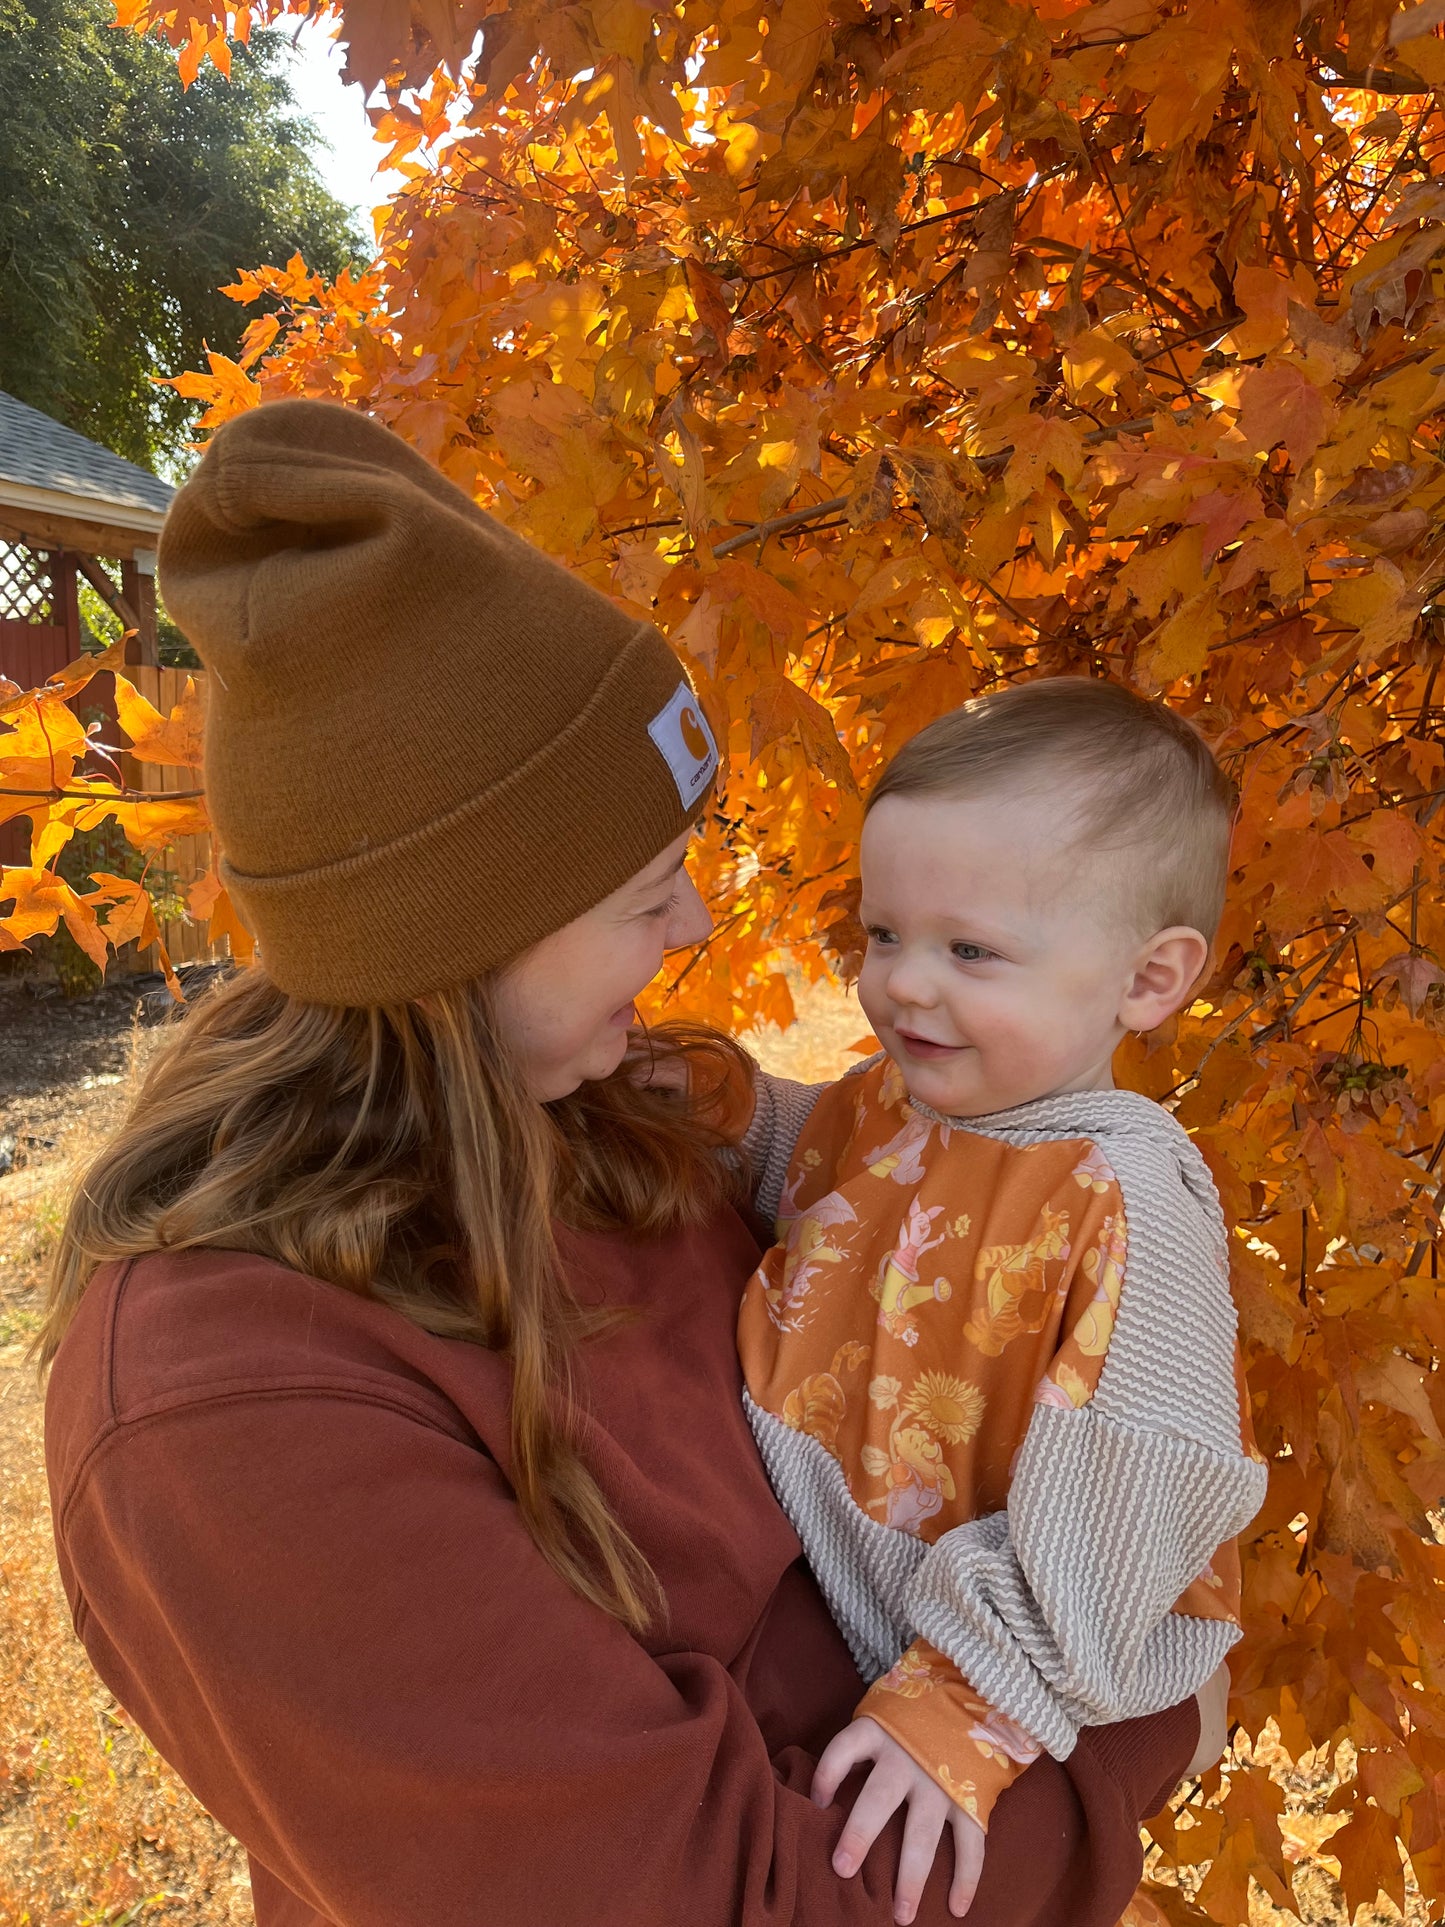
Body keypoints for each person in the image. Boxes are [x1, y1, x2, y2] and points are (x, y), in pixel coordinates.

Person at [40, 400, 1225, 1927]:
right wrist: (1135, 1740)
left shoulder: (623, 1122)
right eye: (648, 890)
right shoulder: (230, 1410)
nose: (699, 936)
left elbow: (909, 1205)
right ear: (459, 929)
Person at [738, 680, 1268, 1925]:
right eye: (881, 936)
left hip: (1013, 1644)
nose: (903, 986)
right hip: (859, 1587)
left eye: (967, 950)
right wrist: (697, 1105)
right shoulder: (901, 1100)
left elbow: (1143, 1490)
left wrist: (969, 1698)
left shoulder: (1117, 1194)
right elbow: (798, 1161)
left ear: (1146, 980)